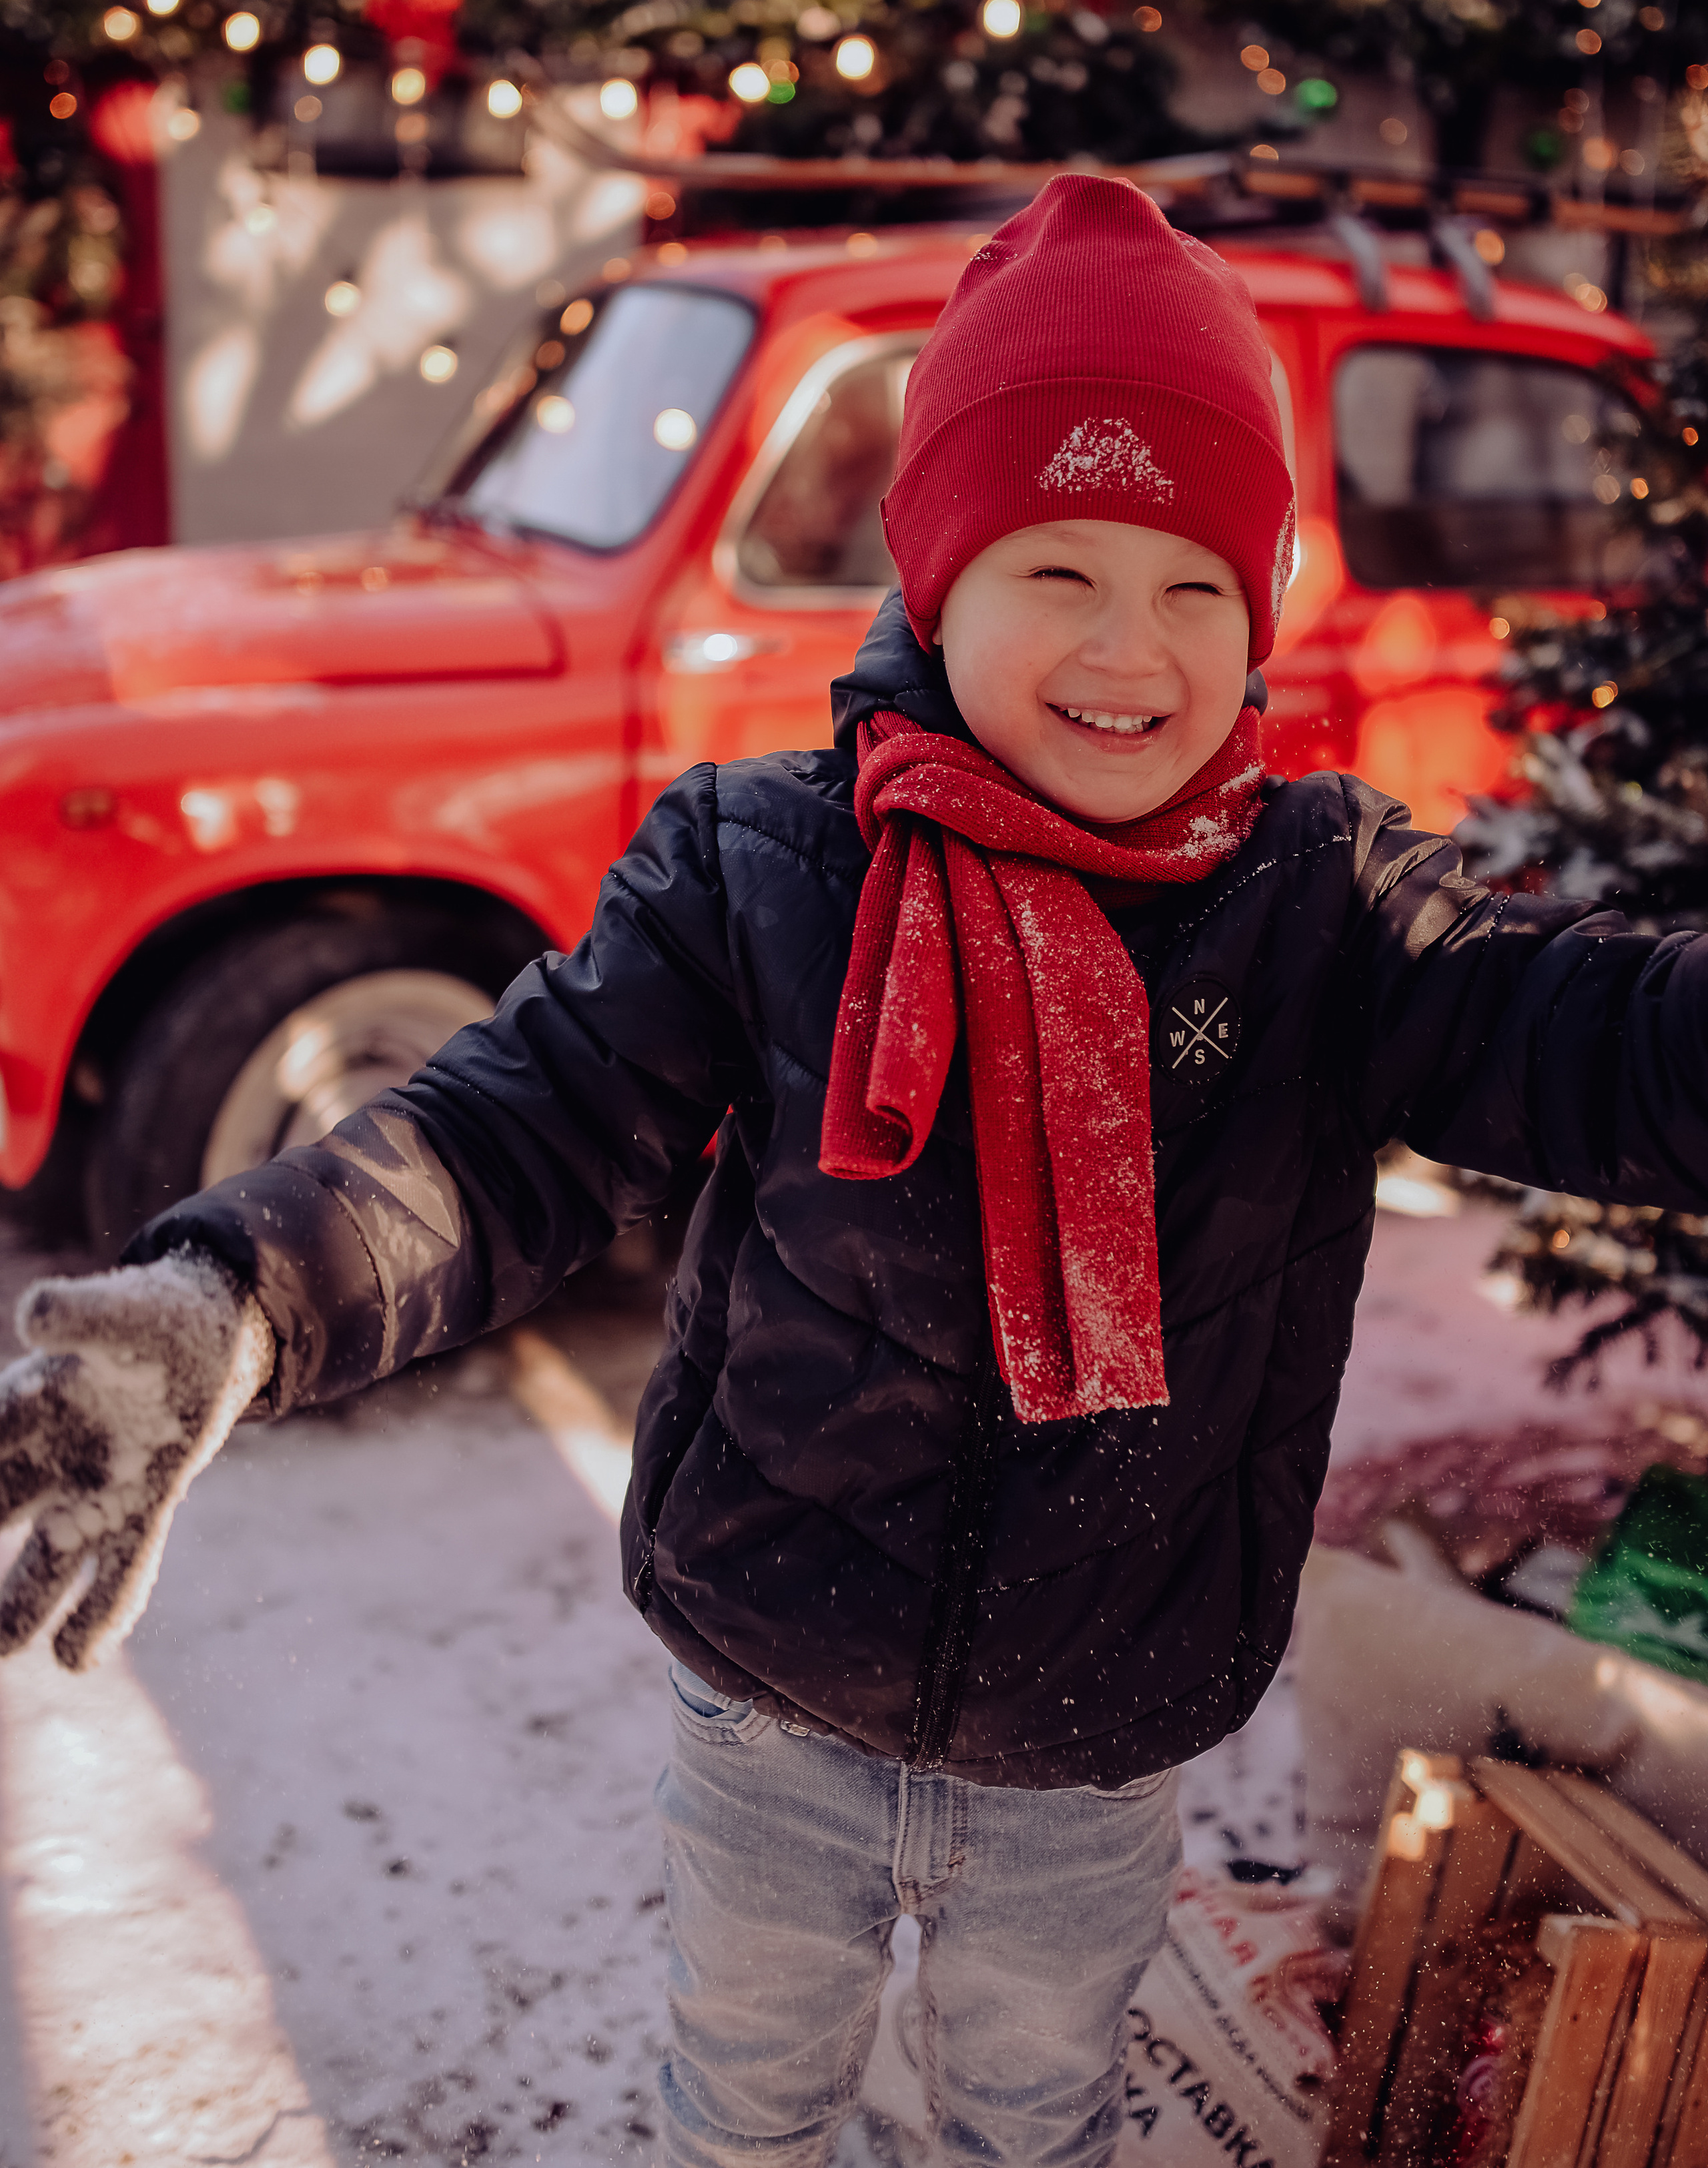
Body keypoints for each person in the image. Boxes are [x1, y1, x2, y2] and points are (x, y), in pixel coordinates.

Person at [3, 174, 1707, 2168]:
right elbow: (504, 1129)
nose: (1129, 647)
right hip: (775, 1692)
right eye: (1056, 569)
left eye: (1190, 585)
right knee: (749, 2103)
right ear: (935, 568)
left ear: (1264, 603)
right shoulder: (763, 870)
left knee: (1023, 2120)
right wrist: (243, 1296)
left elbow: (1576, 1032)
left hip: (1097, 1727)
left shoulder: (1317, 911)